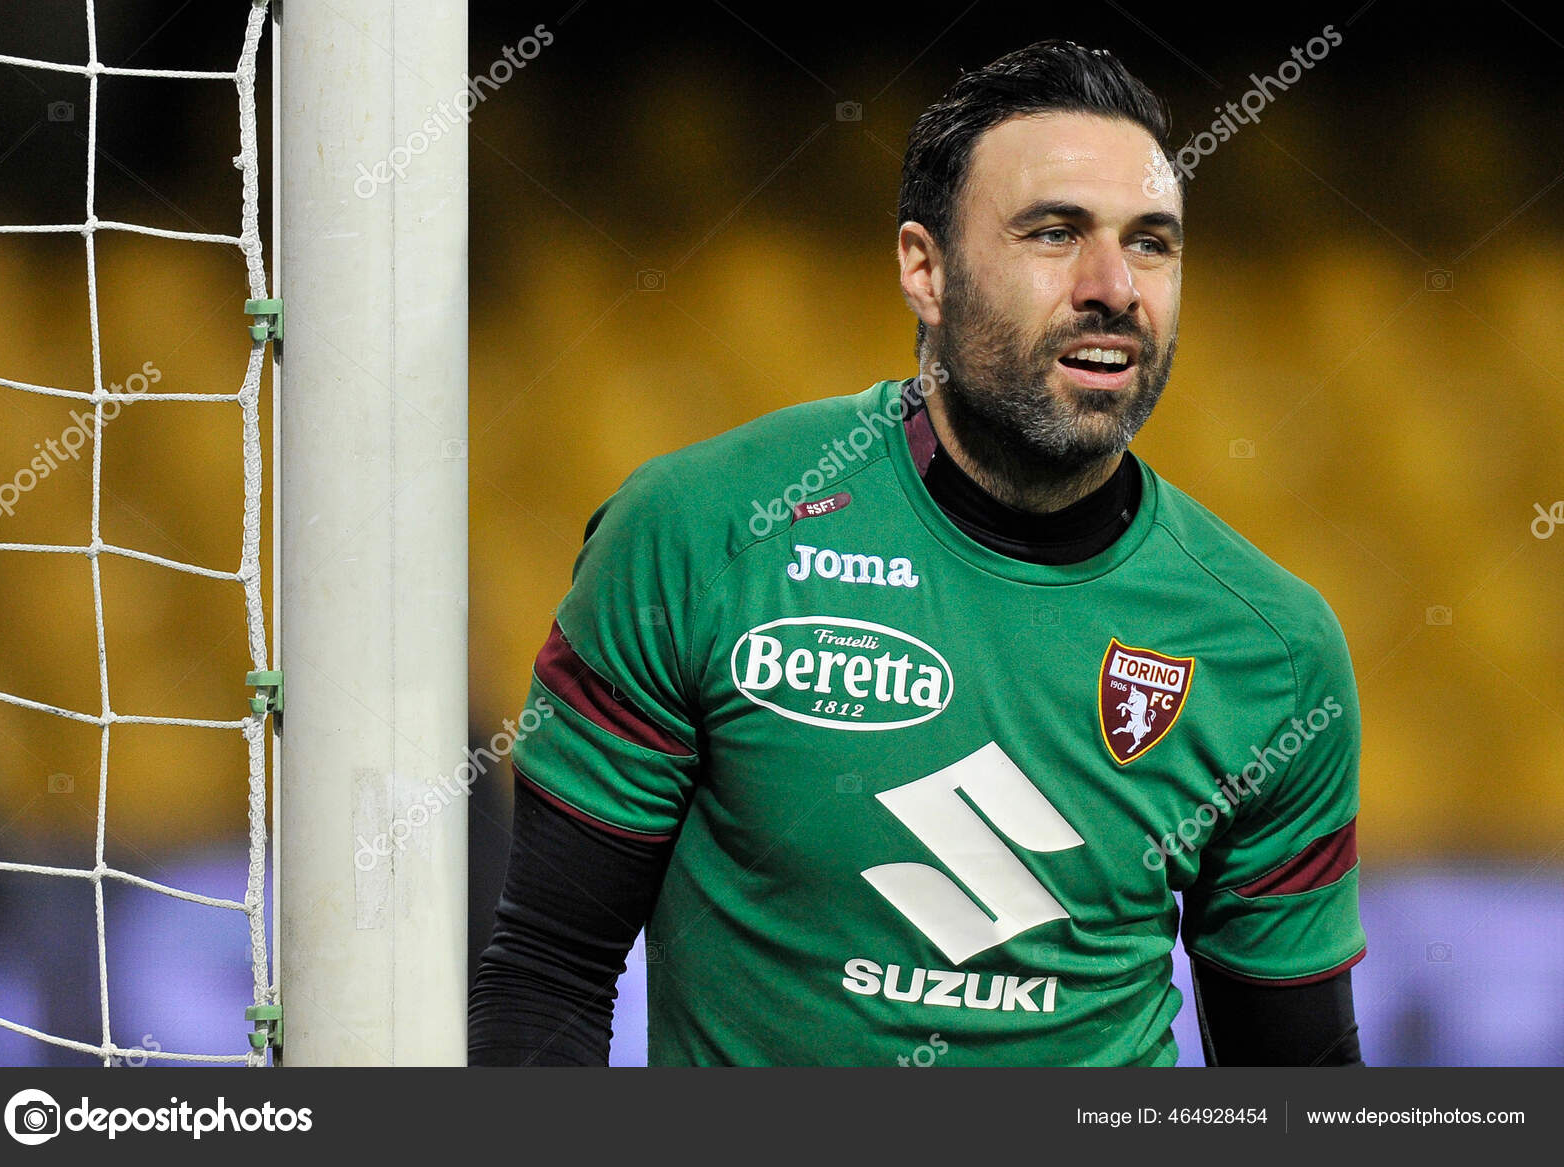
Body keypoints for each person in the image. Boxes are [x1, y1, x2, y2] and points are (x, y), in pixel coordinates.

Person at [469, 40, 1364, 1067]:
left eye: (1151, 242)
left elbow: (1296, 1085)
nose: (1112, 284)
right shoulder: (702, 533)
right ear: (924, 270)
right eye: (1053, 232)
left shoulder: (1273, 649)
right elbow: (545, 974)